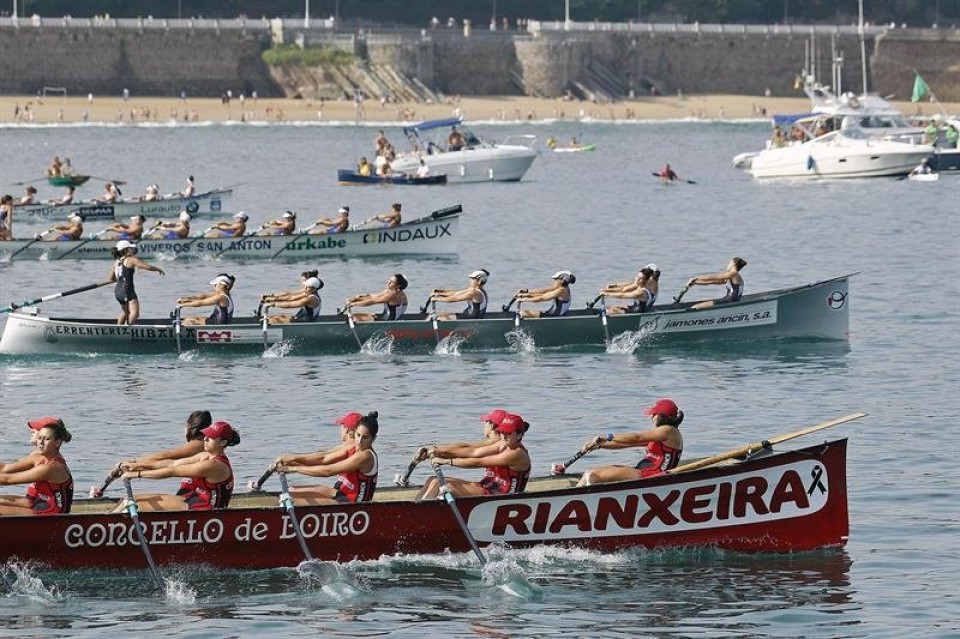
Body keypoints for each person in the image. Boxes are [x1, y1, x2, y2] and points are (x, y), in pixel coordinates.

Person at [117, 420, 239, 512]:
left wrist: (137, 474)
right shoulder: (204, 456)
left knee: (137, 504)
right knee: (129, 499)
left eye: (211, 438)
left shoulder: (215, 465)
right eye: (206, 435)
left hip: (207, 511)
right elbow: (172, 463)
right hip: (193, 499)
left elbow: (172, 471)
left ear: (223, 443)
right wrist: (136, 465)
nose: (205, 439)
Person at [91, 410, 212, 497]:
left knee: (138, 502)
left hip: (197, 501)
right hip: (191, 497)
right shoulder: (202, 444)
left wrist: (134, 466)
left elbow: (166, 458)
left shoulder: (199, 444)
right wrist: (133, 465)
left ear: (188, 426)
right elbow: (168, 463)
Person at [416, 412, 531, 500]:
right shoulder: (502, 444)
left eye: (508, 433)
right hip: (487, 486)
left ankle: (420, 515)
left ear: (519, 435)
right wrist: (438, 452)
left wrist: (447, 461)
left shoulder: (517, 454)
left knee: (448, 487)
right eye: (502, 432)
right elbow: (473, 452)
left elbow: (479, 462)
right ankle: (416, 510)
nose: (504, 436)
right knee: (434, 480)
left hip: (501, 496)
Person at [273, 411, 380, 505]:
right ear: (355, 432)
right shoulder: (353, 446)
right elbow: (323, 459)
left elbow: (328, 471)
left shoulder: (366, 456)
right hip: (340, 493)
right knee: (291, 491)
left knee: (292, 501)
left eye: (365, 437)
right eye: (358, 435)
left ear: (374, 438)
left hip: (354, 504)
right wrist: (292, 460)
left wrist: (293, 469)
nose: (359, 441)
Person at [576, 399, 684, 486]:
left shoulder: (669, 431)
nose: (651, 417)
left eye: (654, 414)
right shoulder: (661, 434)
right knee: (588, 474)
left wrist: (606, 437)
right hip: (645, 472)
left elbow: (636, 437)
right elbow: (626, 443)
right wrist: (599, 445)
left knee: (591, 475)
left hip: (653, 476)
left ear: (662, 416)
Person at [251, 411, 362, 491]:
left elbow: (324, 462)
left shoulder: (351, 448)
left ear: (346, 429)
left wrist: (292, 466)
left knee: (293, 492)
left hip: (348, 499)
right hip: (342, 492)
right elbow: (322, 457)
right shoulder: (346, 446)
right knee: (293, 490)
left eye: (341, 426)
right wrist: (289, 462)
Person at [0, 416, 74, 516]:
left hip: (51, 514)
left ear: (57, 442)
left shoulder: (52, 467)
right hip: (36, 503)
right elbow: (4, 469)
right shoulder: (37, 456)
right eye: (40, 438)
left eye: (46, 439)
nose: (41, 443)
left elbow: (7, 480)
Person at [108, 240, 165, 325]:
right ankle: (127, 329)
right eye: (130, 248)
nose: (132, 250)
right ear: (126, 250)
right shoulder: (131, 259)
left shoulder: (117, 262)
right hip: (127, 290)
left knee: (126, 312)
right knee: (135, 313)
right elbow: (147, 266)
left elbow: (111, 279)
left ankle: (119, 327)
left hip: (117, 291)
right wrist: (157, 269)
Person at [682, 257, 747, 310]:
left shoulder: (733, 274)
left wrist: (696, 278)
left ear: (733, 264)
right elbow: (712, 281)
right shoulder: (733, 277)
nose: (728, 265)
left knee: (694, 308)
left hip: (729, 301)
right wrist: (696, 282)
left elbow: (715, 277)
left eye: (729, 263)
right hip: (729, 300)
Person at [344, 273, 409, 322]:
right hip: (384, 318)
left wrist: (353, 304)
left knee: (354, 317)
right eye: (389, 280)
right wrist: (356, 298)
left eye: (391, 282)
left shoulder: (394, 295)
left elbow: (372, 301)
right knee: (356, 316)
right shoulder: (390, 291)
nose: (388, 282)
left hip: (388, 322)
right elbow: (373, 297)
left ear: (398, 286)